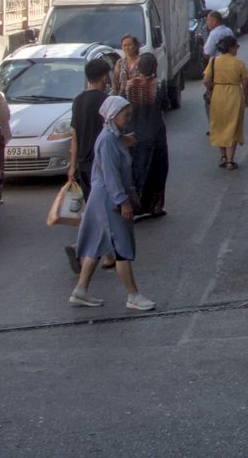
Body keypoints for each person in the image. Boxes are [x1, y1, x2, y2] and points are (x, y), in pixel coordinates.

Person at [67, 95, 154, 311]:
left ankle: (81, 291)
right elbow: (111, 175)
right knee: (121, 247)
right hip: (109, 198)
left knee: (97, 245)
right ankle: (133, 295)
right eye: (126, 115)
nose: (129, 118)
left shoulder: (113, 137)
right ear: (114, 116)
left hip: (103, 197)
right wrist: (123, 202)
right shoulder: (107, 140)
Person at [122, 52, 168, 218]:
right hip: (155, 134)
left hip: (134, 134)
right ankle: (155, 207)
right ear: (154, 68)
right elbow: (165, 104)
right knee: (158, 171)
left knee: (136, 170)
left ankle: (135, 206)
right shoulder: (160, 84)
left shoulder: (128, 86)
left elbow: (122, 107)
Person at [66, 57, 114, 195]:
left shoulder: (78, 100)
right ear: (104, 77)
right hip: (102, 162)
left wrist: (72, 166)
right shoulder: (107, 101)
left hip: (83, 164)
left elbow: (74, 136)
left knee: (89, 204)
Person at [204, 34, 248, 170]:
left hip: (217, 95)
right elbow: (245, 84)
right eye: (236, 47)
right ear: (231, 48)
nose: (237, 49)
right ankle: (230, 160)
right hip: (234, 95)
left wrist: (212, 88)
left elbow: (206, 80)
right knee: (233, 126)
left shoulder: (213, 61)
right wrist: (246, 99)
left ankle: (223, 156)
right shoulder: (239, 63)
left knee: (219, 126)